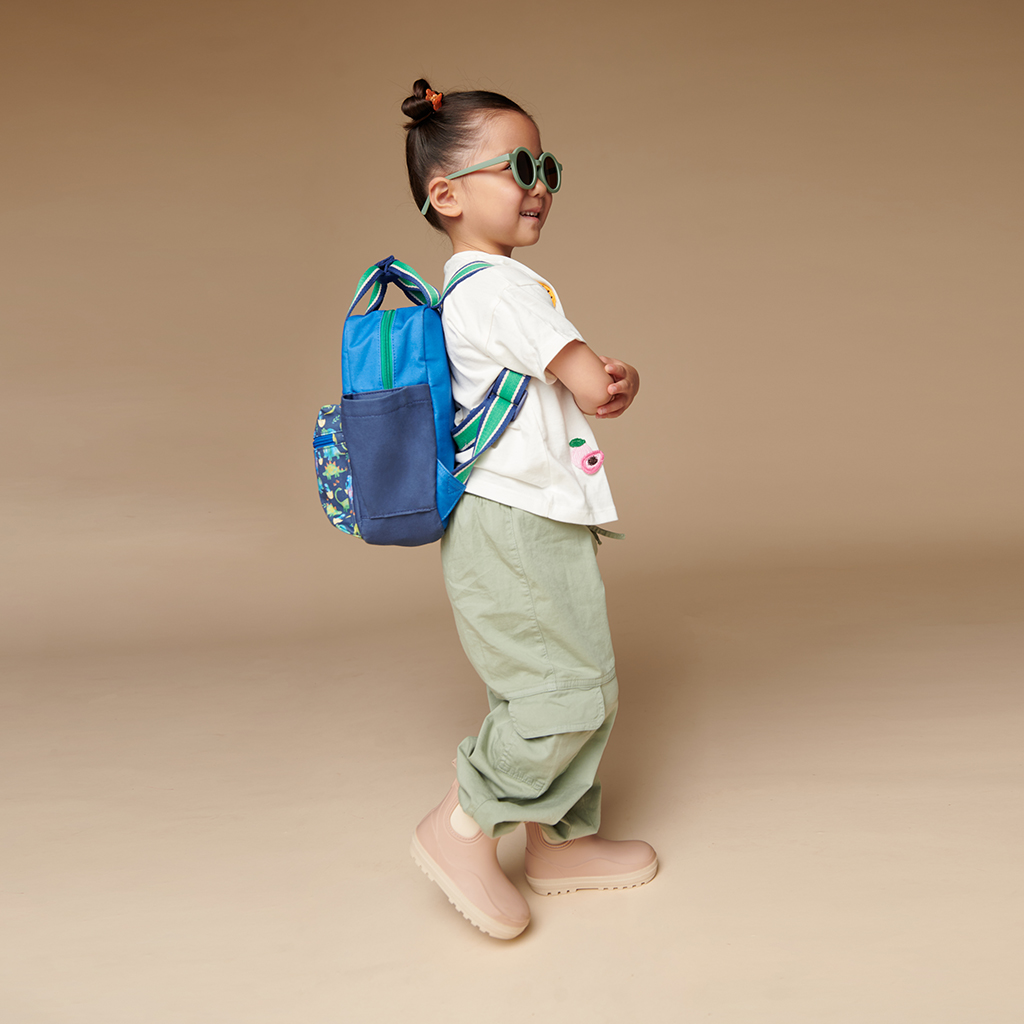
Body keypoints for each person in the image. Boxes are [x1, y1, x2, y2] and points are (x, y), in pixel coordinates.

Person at [403, 79, 657, 940]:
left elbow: (562, 380)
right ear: (447, 194)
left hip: (528, 519)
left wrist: (594, 375)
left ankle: (558, 844)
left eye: (546, 165)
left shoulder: (490, 287)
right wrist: (609, 376)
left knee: (587, 682)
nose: (539, 181)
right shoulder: (497, 288)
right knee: (560, 692)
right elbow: (589, 380)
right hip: (512, 523)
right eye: (519, 165)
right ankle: (464, 820)